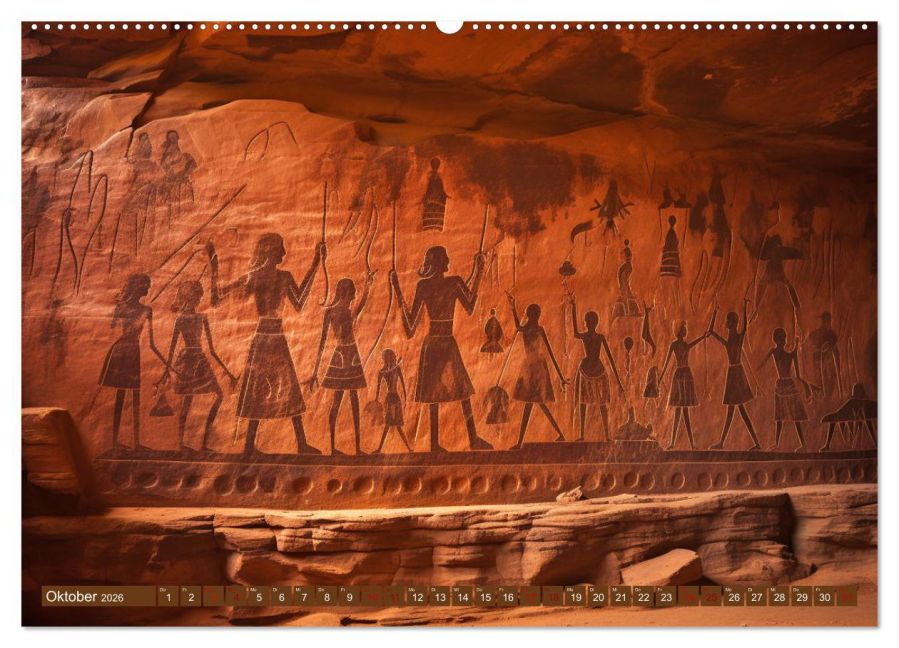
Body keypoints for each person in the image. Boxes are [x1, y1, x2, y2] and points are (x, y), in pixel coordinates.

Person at [208, 233, 324, 456]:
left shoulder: (266, 277)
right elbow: (217, 299)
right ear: (271, 251)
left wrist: (315, 264)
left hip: (268, 337)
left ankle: (298, 444)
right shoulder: (260, 277)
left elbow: (299, 303)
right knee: (267, 387)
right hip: (269, 337)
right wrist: (214, 265)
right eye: (281, 248)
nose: (284, 253)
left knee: (284, 386)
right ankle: (254, 445)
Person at [390, 245, 492, 452]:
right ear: (441, 262)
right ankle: (460, 440)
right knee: (452, 392)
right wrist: (479, 272)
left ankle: (458, 441)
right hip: (442, 342)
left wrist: (398, 291)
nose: (448, 261)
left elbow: (410, 328)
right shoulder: (451, 283)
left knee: (453, 390)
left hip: (436, 343)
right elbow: (471, 306)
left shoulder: (429, 285)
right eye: (445, 258)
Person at [160, 281, 236, 452]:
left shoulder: (201, 318)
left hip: (199, 359)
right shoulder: (181, 319)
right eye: (198, 295)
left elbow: (212, 349)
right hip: (188, 361)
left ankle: (203, 443)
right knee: (187, 402)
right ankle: (182, 444)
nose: (200, 298)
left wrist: (228, 372)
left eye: (200, 295)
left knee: (218, 395)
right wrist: (167, 370)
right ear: (191, 296)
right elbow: (172, 347)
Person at [98, 273, 168, 451]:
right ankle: (115, 442)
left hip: (133, 352)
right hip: (121, 352)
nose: (148, 289)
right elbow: (112, 329)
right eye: (146, 285)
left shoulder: (147, 310)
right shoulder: (124, 307)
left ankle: (136, 442)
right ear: (138, 287)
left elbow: (151, 343)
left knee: (135, 395)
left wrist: (166, 363)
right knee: (120, 396)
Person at [307, 273, 374, 455]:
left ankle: (344, 447)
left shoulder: (334, 312)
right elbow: (323, 341)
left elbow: (322, 342)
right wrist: (315, 372)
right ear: (346, 292)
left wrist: (368, 287)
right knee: (347, 401)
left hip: (344, 355)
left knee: (346, 401)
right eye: (353, 292)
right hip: (348, 355)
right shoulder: (341, 312)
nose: (354, 295)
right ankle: (344, 447)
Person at [506, 293, 567, 449]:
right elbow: (550, 353)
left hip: (535, 369)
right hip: (535, 367)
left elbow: (518, 327)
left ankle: (521, 443)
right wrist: (513, 308)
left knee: (534, 404)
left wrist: (513, 308)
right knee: (537, 405)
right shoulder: (535, 328)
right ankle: (559, 434)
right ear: (535, 315)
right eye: (536, 315)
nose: (537, 317)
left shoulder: (531, 328)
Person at [568, 292, 624, 441]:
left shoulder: (593, 337)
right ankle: (598, 435)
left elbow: (575, 332)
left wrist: (573, 307)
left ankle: (597, 435)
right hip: (593, 369)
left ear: (587, 323)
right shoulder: (597, 337)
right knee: (595, 403)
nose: (587, 323)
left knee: (593, 403)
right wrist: (573, 307)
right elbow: (610, 359)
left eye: (587, 321)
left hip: (590, 369)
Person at [707, 300, 761, 450]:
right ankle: (725, 442)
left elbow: (745, 327)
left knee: (736, 410)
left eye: (727, 320)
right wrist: (715, 312)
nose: (725, 323)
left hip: (736, 374)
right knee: (735, 411)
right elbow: (711, 331)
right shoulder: (730, 339)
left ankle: (727, 443)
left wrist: (744, 307)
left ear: (732, 323)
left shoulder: (737, 337)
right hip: (733, 374)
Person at [757, 328, 810, 452]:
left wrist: (807, 387)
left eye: (784, 338)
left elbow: (798, 376)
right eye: (782, 338)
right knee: (780, 416)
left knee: (795, 416)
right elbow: (761, 365)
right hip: (782, 385)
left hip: (787, 385)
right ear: (777, 340)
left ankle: (803, 444)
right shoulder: (777, 352)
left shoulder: (787, 353)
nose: (784, 340)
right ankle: (777, 444)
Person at [658, 320, 706, 449]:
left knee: (682, 411)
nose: (685, 331)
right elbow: (667, 361)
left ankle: (687, 443)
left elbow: (694, 343)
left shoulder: (682, 344)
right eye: (684, 329)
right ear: (680, 331)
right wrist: (661, 377)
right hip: (682, 375)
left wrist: (703, 337)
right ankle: (678, 443)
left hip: (683, 375)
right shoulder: (678, 345)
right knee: (680, 411)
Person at [373, 349, 412, 453]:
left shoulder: (396, 369)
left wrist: (405, 397)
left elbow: (403, 383)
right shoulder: (383, 371)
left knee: (397, 424)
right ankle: (380, 448)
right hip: (390, 398)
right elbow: (378, 386)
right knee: (389, 423)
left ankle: (408, 448)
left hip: (395, 397)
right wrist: (376, 399)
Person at [808, 311, 841, 398]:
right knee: (819, 379)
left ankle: (828, 396)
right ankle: (822, 396)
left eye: (827, 320)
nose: (825, 323)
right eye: (824, 320)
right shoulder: (816, 334)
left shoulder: (832, 335)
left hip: (829, 360)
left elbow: (834, 349)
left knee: (829, 379)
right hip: (819, 361)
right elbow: (811, 342)